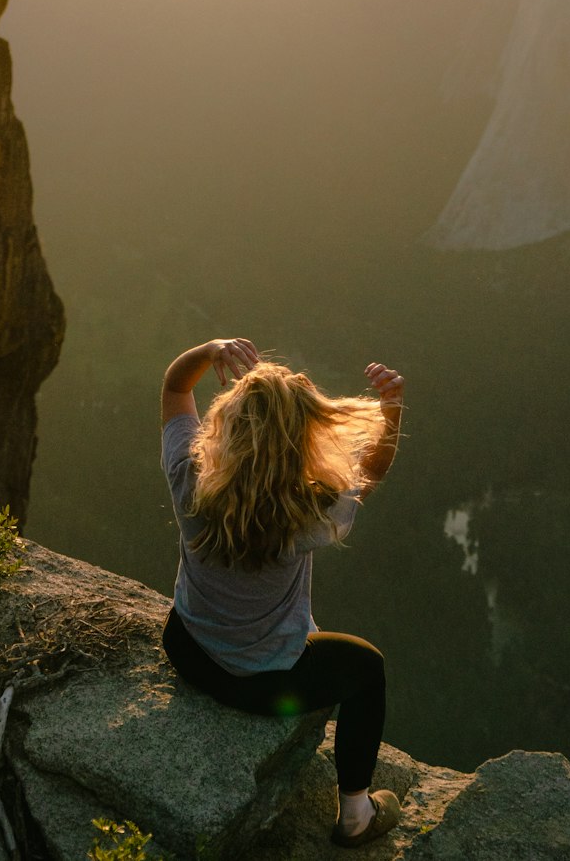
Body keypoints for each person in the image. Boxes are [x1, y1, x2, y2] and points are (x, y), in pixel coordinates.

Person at [159, 336, 404, 848]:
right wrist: (392, 414)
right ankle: (356, 813)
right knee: (368, 668)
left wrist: (209, 350)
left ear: (224, 426)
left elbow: (175, 386)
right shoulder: (310, 512)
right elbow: (371, 472)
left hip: (188, 652)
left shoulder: (190, 481)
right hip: (264, 685)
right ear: (300, 442)